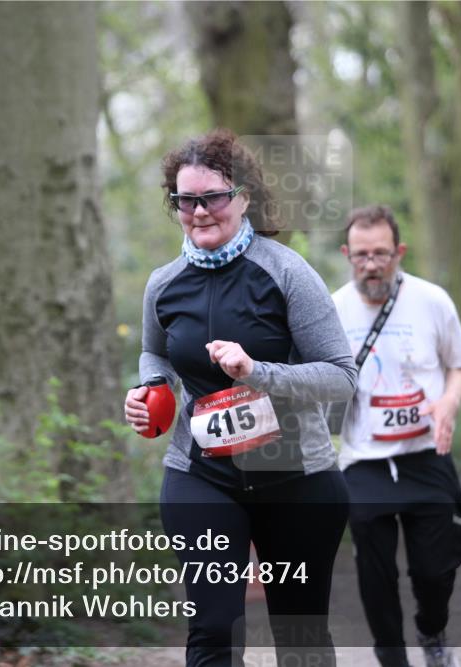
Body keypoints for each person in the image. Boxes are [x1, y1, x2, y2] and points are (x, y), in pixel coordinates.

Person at [124, 129, 356, 667]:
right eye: (186, 200)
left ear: (244, 198)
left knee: (300, 637)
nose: (200, 211)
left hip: (296, 478)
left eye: (213, 197)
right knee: (212, 631)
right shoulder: (164, 284)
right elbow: (154, 353)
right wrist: (149, 390)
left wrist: (257, 372)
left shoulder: (286, 272)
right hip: (201, 475)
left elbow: (341, 377)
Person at [331, 205, 461, 667]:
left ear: (400, 252)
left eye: (381, 254)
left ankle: (432, 630)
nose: (371, 265)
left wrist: (449, 402)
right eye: (361, 255)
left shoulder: (432, 301)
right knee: (375, 575)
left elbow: (460, 363)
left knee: (435, 571)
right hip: (363, 461)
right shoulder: (333, 310)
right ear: (346, 254)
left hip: (426, 453)